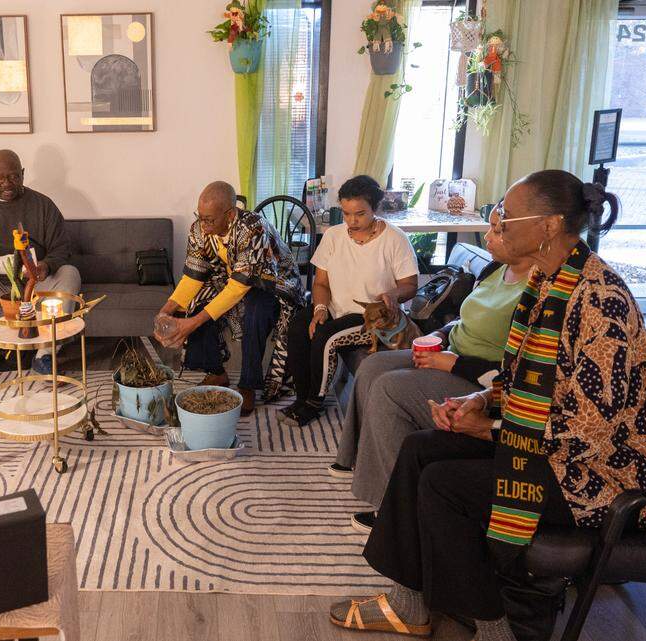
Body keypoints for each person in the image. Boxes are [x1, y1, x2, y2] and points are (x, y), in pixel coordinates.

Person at [329, 170, 646, 641]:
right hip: (554, 448)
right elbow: (525, 383)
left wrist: (489, 428)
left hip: (600, 474)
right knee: (419, 450)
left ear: (550, 226)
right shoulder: (545, 283)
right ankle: (409, 604)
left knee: (442, 484)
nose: (499, 222)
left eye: (509, 216)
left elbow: (594, 429)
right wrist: (477, 401)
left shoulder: (600, 300)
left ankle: (497, 630)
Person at [332, 221, 535, 532]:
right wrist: (439, 334)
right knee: (372, 366)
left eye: (498, 230)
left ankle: (394, 512)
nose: (489, 237)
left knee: (389, 388)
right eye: (491, 227)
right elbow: (463, 320)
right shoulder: (495, 270)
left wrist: (452, 364)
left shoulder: (537, 291)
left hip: (476, 379)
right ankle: (355, 458)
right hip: (449, 353)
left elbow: (512, 374)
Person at [280, 175, 418, 427]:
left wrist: (394, 295)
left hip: (373, 316)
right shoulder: (334, 236)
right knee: (300, 326)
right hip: (337, 308)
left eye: (360, 214)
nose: (351, 221)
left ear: (375, 209)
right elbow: (321, 283)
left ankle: (314, 402)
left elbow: (410, 285)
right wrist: (320, 308)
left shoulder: (396, 240)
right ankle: (301, 397)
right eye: (346, 213)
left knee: (327, 336)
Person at [155, 181, 303, 415]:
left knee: (255, 311)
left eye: (209, 220)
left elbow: (238, 288)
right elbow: (194, 274)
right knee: (198, 303)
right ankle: (216, 372)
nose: (203, 225)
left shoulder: (253, 229)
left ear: (231, 214)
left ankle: (248, 385)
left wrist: (192, 324)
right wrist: (166, 310)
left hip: (273, 283)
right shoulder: (198, 229)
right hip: (233, 278)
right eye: (200, 217)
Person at [0, 150, 82, 387]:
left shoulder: (43, 205)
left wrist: (46, 266)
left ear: (22, 174)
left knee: (70, 273)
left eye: (13, 177)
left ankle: (44, 356)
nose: (7, 184)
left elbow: (61, 248)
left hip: (35, 283)